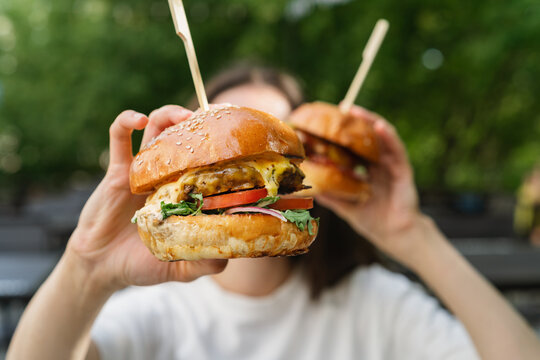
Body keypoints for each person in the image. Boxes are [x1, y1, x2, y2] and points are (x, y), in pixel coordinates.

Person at [7, 66, 540, 360]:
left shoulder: (373, 303)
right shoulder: (158, 312)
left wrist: (414, 235)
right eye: (230, 120)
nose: (250, 135)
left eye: (274, 125)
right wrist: (87, 267)